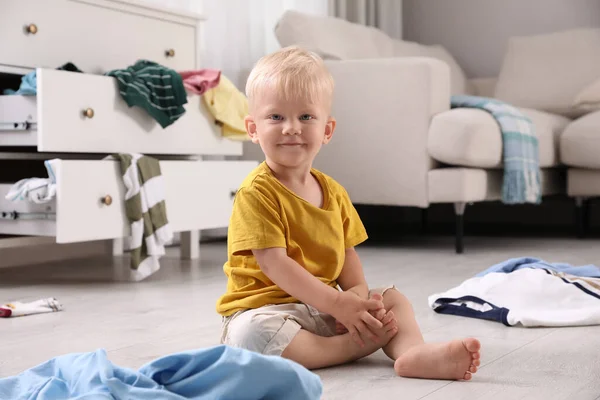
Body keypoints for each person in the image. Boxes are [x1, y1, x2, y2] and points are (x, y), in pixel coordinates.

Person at [215, 46, 481, 380]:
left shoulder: (334, 193)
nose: (292, 128)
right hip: (268, 311)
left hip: (320, 309)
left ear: (327, 130)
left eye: (306, 117)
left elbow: (346, 258)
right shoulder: (256, 192)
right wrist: (338, 305)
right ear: (253, 129)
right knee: (249, 337)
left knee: (390, 299)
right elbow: (274, 264)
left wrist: (355, 299)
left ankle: (413, 353)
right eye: (276, 117)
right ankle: (350, 348)